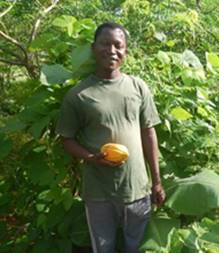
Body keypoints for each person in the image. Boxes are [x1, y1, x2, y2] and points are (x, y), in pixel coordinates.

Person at [56, 22, 165, 253]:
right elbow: (66, 139)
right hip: (99, 192)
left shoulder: (138, 86)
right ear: (94, 48)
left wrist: (156, 181)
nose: (112, 50)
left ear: (125, 51)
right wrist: (92, 158)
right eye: (105, 44)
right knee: (103, 249)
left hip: (137, 188)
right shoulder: (79, 95)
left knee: (137, 248)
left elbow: (149, 132)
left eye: (118, 45)